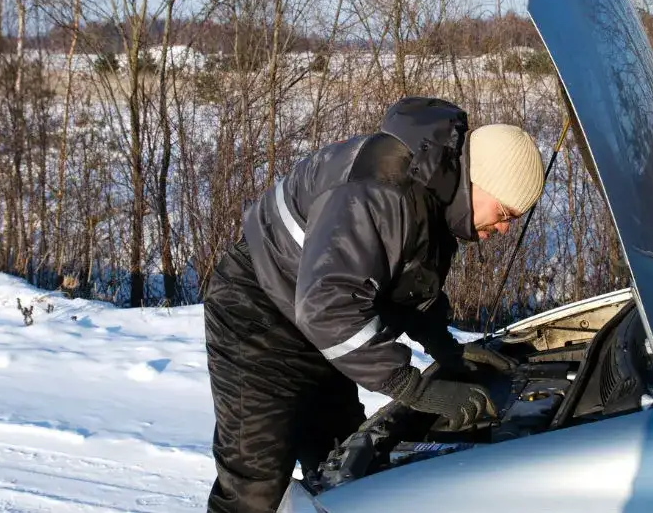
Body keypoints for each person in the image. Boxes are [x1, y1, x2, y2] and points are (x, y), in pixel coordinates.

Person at [203, 97, 545, 513]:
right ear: (481, 181)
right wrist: (415, 388)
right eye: (505, 212)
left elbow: (407, 282)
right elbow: (327, 308)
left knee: (345, 468)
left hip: (318, 322)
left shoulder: (433, 193)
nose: (505, 228)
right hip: (259, 314)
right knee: (256, 483)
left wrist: (446, 348)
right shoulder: (384, 192)